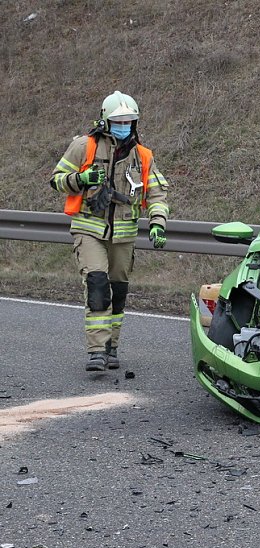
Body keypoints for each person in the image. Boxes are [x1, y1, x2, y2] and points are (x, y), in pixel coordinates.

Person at [50, 91, 170, 371]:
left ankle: (111, 347)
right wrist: (79, 179)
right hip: (88, 230)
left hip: (124, 234)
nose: (124, 125)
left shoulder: (143, 157)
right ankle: (96, 351)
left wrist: (157, 225)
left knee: (118, 290)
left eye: (129, 121)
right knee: (97, 285)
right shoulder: (84, 146)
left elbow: (157, 195)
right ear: (105, 120)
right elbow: (56, 180)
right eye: (119, 120)